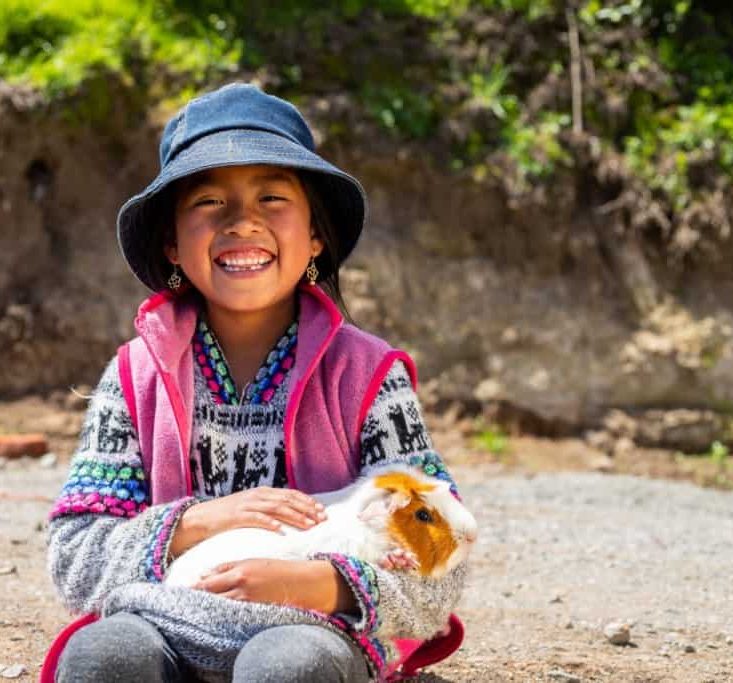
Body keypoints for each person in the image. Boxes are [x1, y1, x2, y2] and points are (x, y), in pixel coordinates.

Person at [43, 83, 470, 683]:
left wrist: (320, 584)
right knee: (102, 657)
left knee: (288, 666)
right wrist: (193, 525)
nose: (243, 222)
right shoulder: (135, 376)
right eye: (209, 201)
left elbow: (441, 552)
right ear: (171, 242)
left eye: (272, 197)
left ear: (315, 235)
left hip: (316, 629)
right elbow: (75, 556)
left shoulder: (368, 377)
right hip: (166, 620)